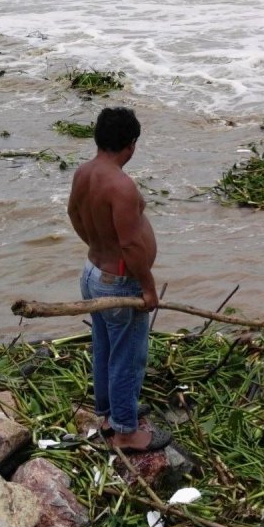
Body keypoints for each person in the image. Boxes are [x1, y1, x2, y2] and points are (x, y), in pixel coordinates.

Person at [67, 107, 170, 454]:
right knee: (127, 356)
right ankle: (126, 433)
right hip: (119, 282)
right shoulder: (121, 186)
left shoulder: (84, 173)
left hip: (93, 273)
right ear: (131, 144)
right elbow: (129, 243)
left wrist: (97, 246)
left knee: (106, 346)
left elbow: (73, 213)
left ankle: (110, 415)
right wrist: (148, 285)